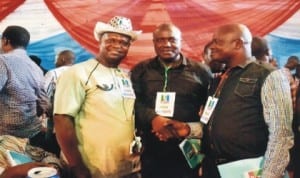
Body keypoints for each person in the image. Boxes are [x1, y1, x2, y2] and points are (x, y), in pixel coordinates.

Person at [200, 23, 293, 178]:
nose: (212, 47)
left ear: (237, 44)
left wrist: (269, 174)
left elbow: (281, 134)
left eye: (218, 42)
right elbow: (212, 122)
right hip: (214, 169)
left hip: (250, 171)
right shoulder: (219, 80)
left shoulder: (268, 75)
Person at [53, 16, 142, 178]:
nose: (117, 46)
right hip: (90, 170)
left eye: (124, 42)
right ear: (99, 41)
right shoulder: (77, 73)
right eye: (111, 40)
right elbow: (62, 120)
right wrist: (77, 167)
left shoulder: (126, 76)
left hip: (125, 168)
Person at [130, 23, 212, 178]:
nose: (167, 44)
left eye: (172, 40)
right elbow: (133, 103)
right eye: (160, 40)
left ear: (181, 41)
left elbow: (210, 111)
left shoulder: (200, 71)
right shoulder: (140, 70)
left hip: (188, 150)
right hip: (151, 151)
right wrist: (153, 118)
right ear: (154, 43)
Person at [0, 26, 50, 147]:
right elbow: (45, 104)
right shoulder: (35, 67)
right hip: (33, 133)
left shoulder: (2, 61)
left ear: (6, 40)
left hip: (7, 136)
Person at [44, 49, 76, 156]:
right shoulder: (82, 73)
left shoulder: (53, 73)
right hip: (78, 120)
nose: (55, 62)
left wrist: (46, 111)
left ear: (62, 59)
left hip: (57, 119)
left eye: (56, 59)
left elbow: (43, 95)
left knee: (52, 148)